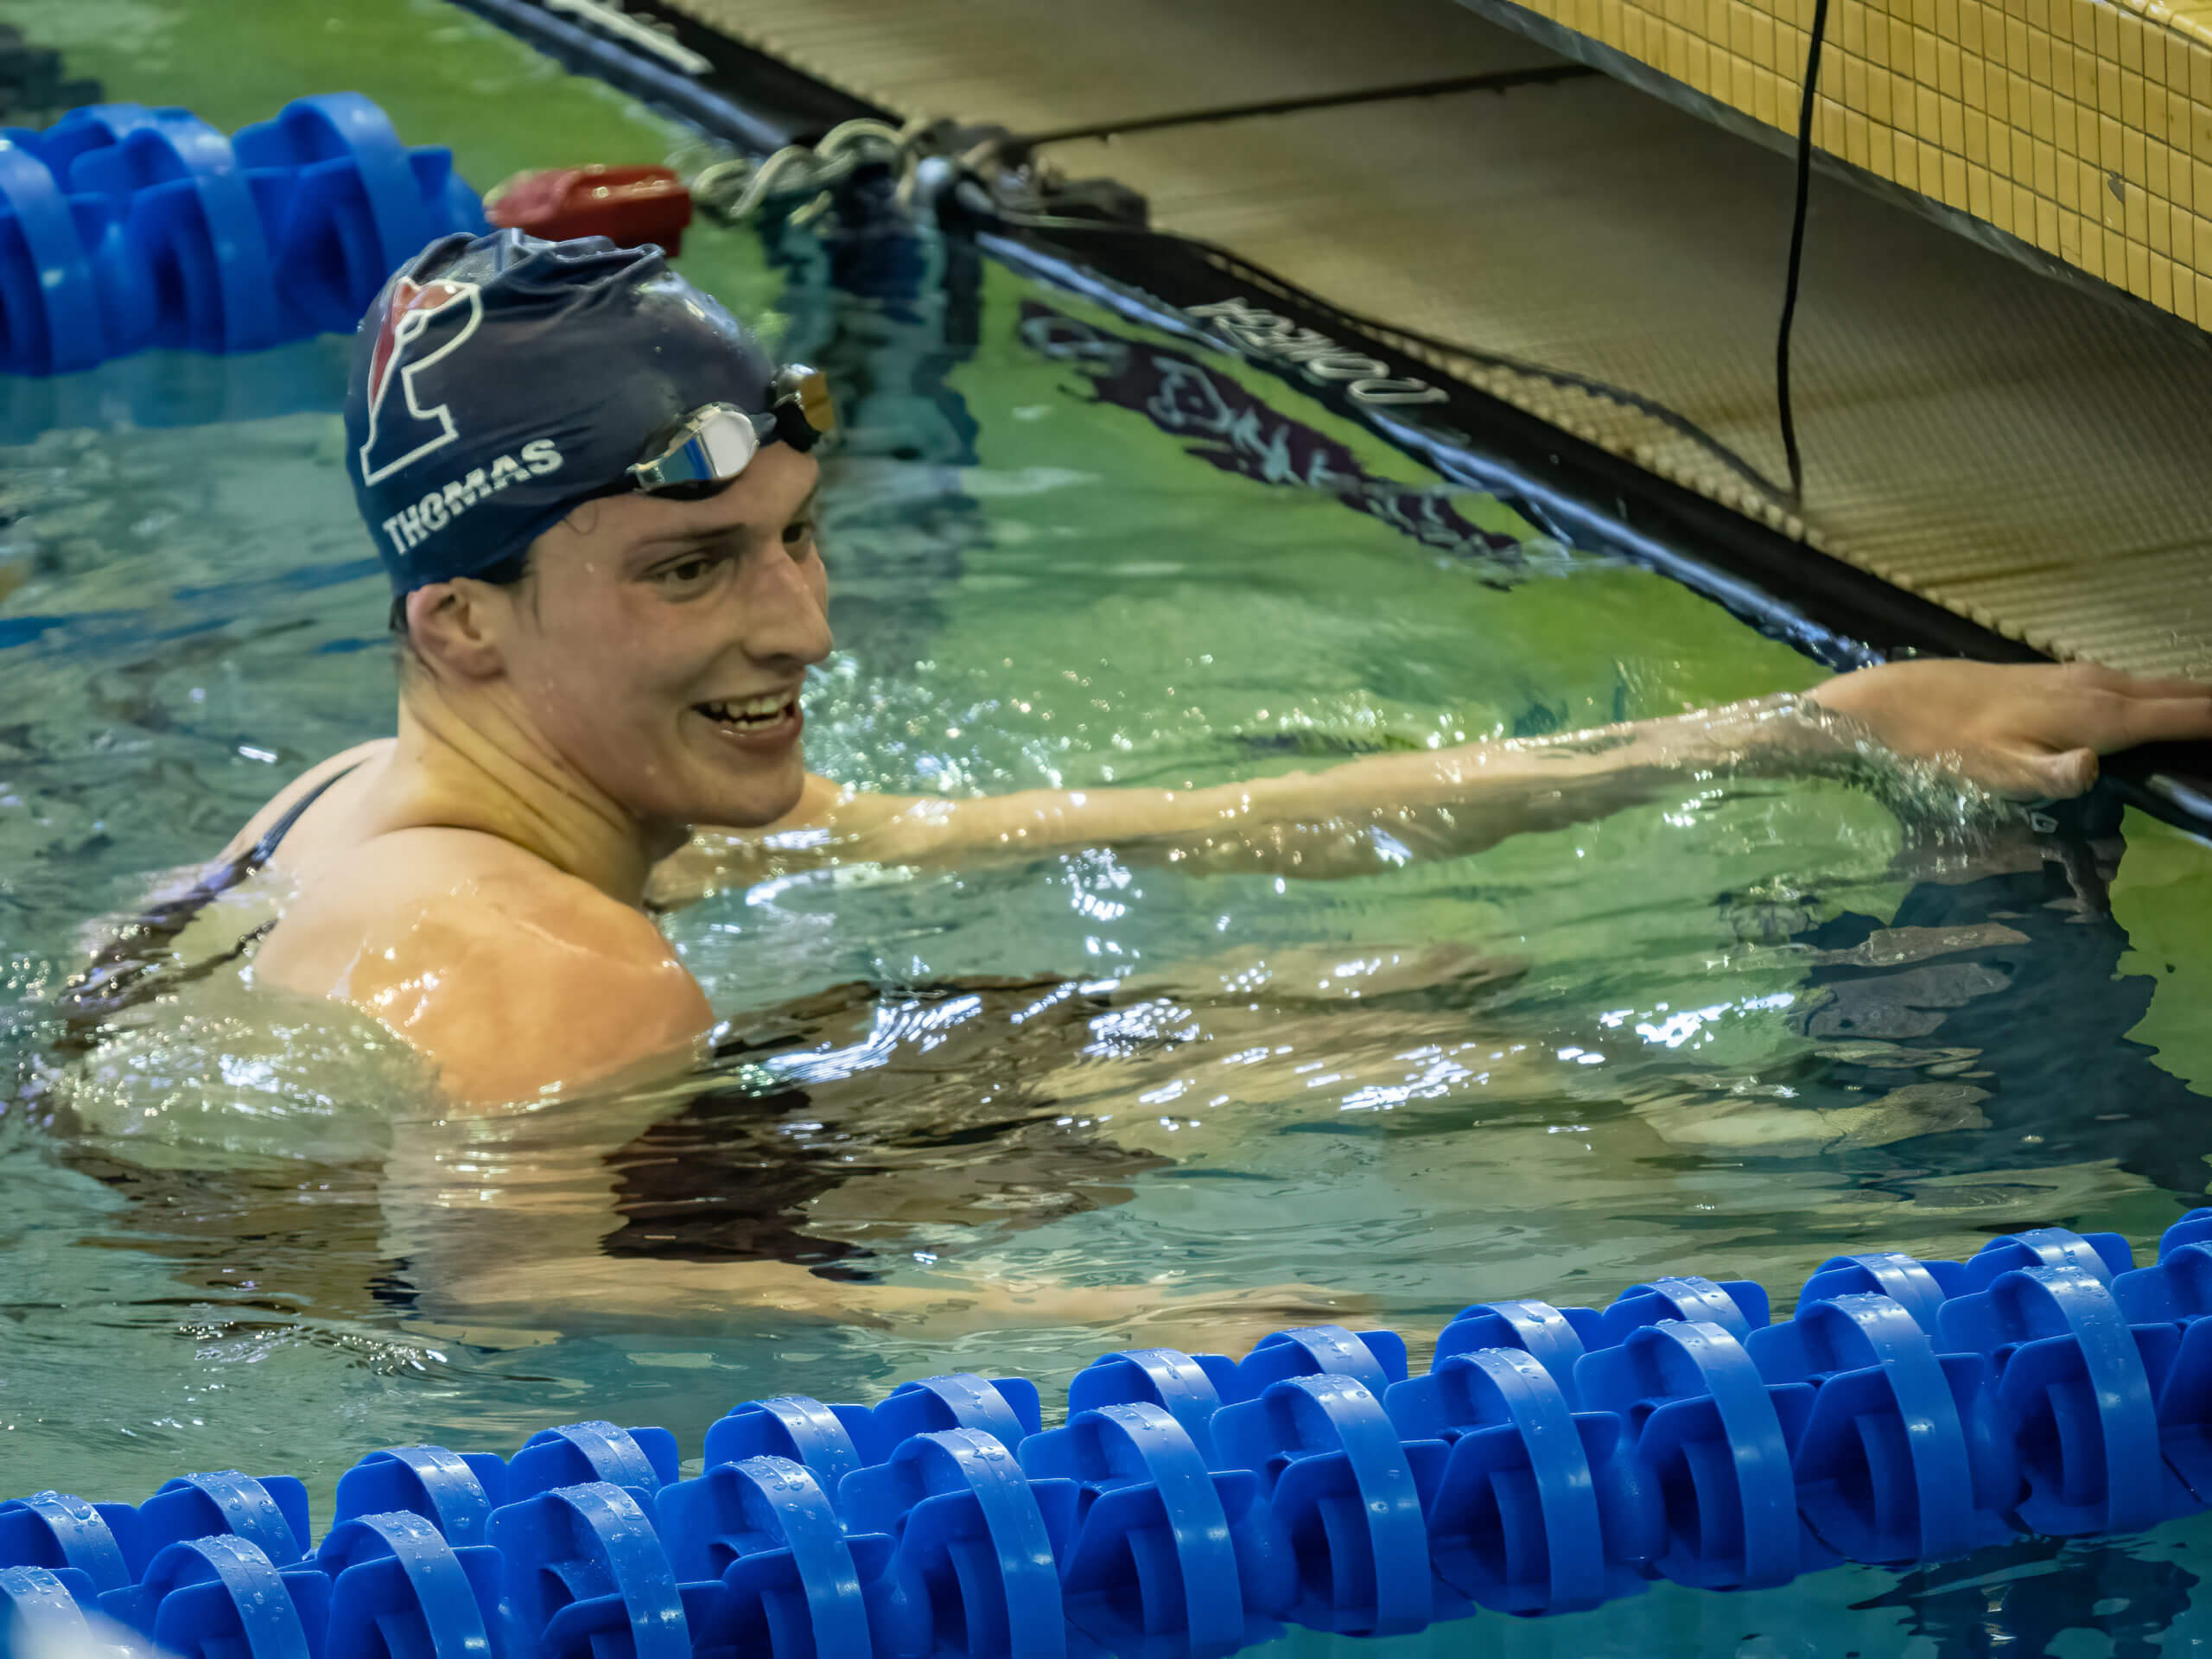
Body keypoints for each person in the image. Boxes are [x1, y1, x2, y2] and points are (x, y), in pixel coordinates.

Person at [71, 226, 2212, 1115]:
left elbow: (1152, 829)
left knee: (1396, 988)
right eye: (694, 568)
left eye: (799, 543)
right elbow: (539, 1354)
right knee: (1514, 1101)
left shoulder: (383, 803)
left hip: (498, 1189)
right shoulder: (549, 970)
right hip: (470, 1290)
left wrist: (1787, 726)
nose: (799, 629)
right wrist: (1180, 1332)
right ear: (465, 619)